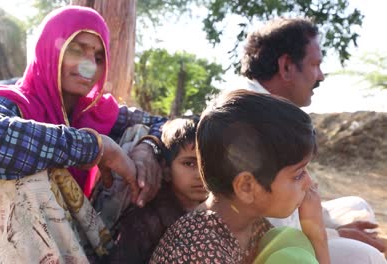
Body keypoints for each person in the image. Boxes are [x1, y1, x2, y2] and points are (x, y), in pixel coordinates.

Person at [0, 6, 166, 264]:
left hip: (73, 239)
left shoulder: (95, 111)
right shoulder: (14, 102)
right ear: (49, 49)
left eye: (98, 57)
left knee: (139, 133)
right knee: (21, 176)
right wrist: (95, 147)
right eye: (76, 49)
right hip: (13, 250)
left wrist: (148, 147)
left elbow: (165, 124)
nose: (88, 66)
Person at [240, 17, 386, 263]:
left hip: (286, 220)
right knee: (367, 256)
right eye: (315, 64)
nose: (321, 76)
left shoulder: (272, 107)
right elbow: (276, 220)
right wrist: (330, 234)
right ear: (286, 66)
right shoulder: (257, 116)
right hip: (271, 239)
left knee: (357, 206)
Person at [150, 90, 330, 264]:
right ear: (246, 187)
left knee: (291, 243)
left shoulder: (252, 224)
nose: (309, 183)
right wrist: (317, 237)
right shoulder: (199, 250)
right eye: (298, 175)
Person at [106, 117, 208, 263]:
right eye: (189, 163)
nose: (201, 174)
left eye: (207, 164)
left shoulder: (216, 213)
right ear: (165, 169)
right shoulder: (147, 220)